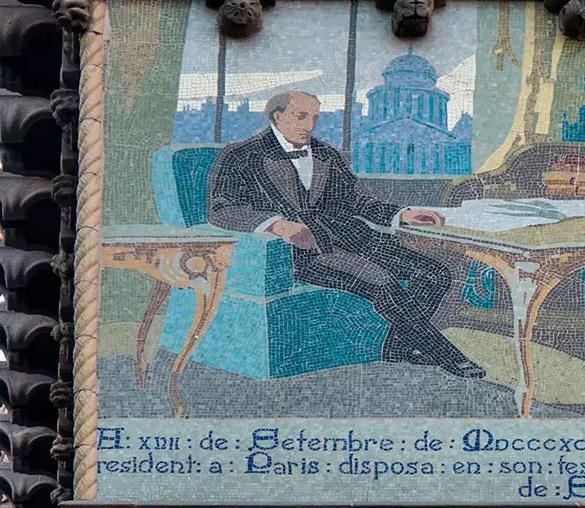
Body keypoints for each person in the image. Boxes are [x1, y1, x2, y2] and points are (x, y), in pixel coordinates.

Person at [206, 90, 484, 379]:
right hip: (303, 251)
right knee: (382, 282)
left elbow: (357, 200)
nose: (309, 125)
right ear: (278, 116)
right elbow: (221, 209)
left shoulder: (326, 154)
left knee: (435, 273)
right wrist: (277, 225)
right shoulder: (240, 155)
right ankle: (449, 356)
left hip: (353, 238)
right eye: (301, 116)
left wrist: (402, 214)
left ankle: (396, 347)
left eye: (314, 118)